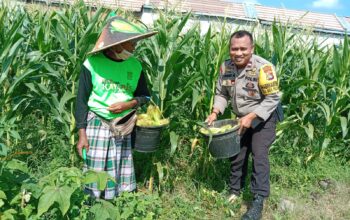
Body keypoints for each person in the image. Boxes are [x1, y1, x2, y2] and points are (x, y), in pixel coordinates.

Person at [75, 14, 157, 200]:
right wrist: (82, 134)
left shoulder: (135, 66)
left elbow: (144, 96)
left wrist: (128, 104)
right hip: (97, 122)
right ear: (118, 44)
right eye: (131, 43)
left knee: (118, 164)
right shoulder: (92, 64)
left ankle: (114, 203)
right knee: (95, 169)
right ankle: (92, 203)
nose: (134, 47)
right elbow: (81, 101)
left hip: (123, 124)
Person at [206, 30, 282, 220]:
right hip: (240, 118)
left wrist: (252, 116)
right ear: (229, 49)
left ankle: (258, 200)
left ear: (252, 48)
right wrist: (215, 112)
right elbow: (222, 93)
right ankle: (234, 190)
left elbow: (273, 98)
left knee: (258, 153)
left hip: (263, 117)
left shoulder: (263, 67)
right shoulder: (227, 67)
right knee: (237, 153)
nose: (238, 53)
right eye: (234, 49)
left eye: (243, 49)